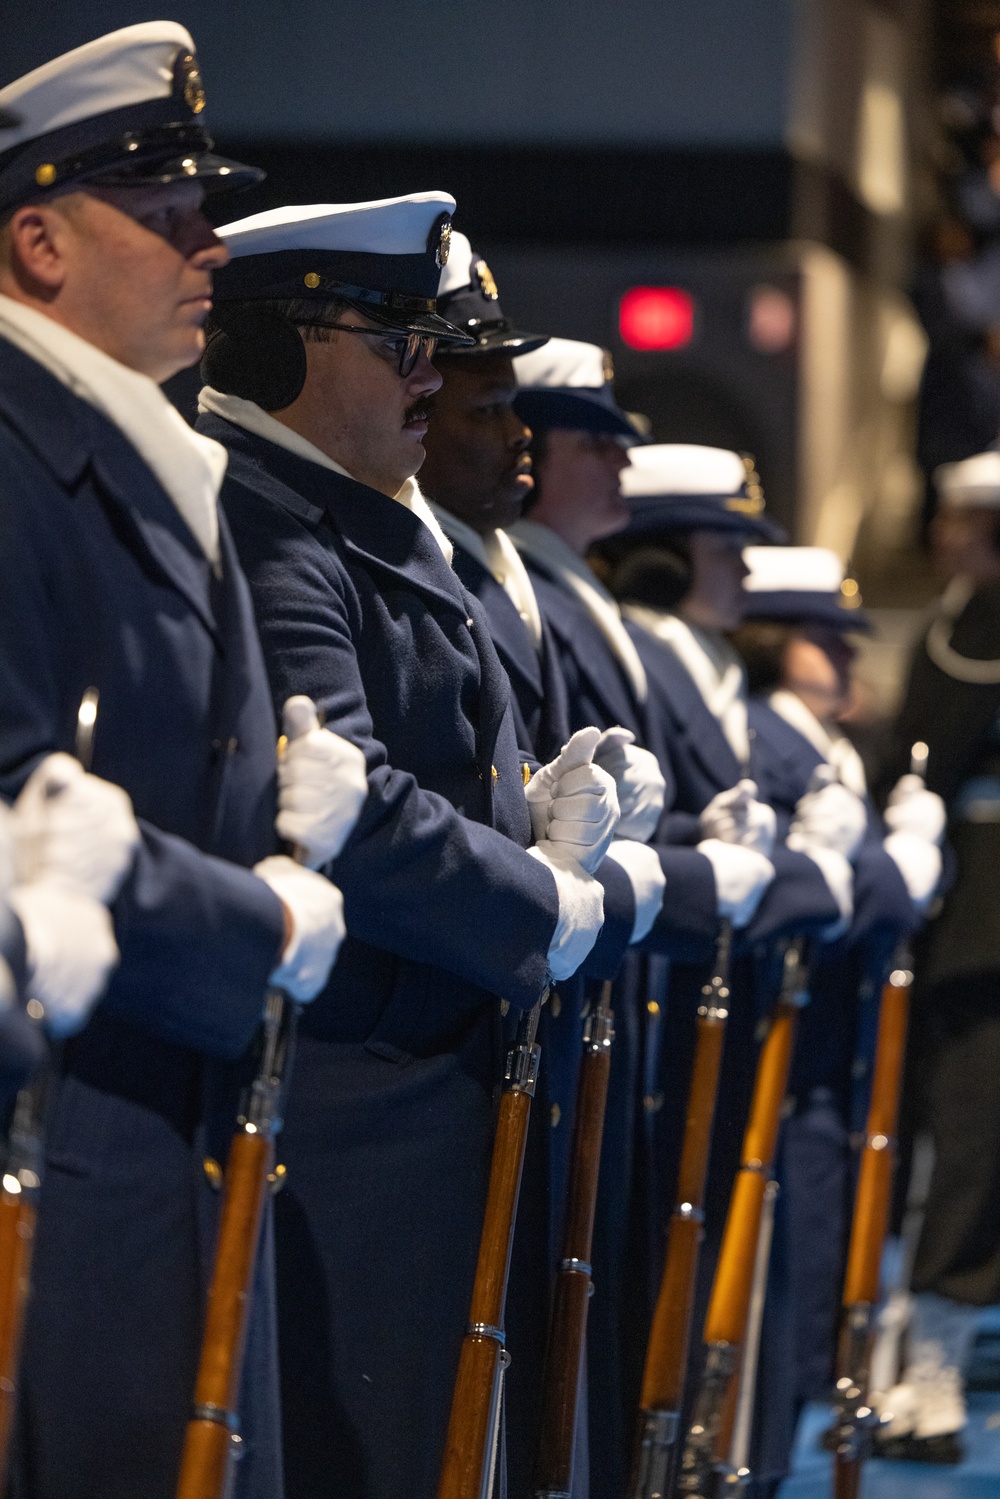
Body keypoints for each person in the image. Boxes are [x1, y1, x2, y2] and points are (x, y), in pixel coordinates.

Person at [196, 197, 618, 1499]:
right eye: (400, 343)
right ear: (285, 344)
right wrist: (541, 896)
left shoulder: (354, 510)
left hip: (431, 1073)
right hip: (357, 1099)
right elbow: (345, 797)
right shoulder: (275, 518)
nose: (434, 377)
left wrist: (530, 803)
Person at [0, 27, 362, 1499]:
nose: (207, 244)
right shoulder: (20, 459)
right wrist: (266, 921)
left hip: (171, 1119)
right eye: (163, 215)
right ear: (37, 239)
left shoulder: (132, 444)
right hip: (60, 1125)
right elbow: (30, 803)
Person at [422, 241, 675, 1498]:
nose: (515, 436)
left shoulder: (515, 576)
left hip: (551, 1010)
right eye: (491, 409)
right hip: (445, 1029)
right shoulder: (450, 563)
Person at [598, 444, 856, 1498]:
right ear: (659, 551)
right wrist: (819, 876)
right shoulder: (653, 652)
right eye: (724, 543)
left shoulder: (691, 662)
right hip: (666, 1019)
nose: (743, 568)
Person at [730, 546, 944, 1418]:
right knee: (771, 1308)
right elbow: (832, 894)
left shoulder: (826, 743)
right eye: (827, 638)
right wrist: (902, 860)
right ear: (775, 638)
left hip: (831, 1056)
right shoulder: (767, 737)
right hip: (783, 1050)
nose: (849, 657)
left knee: (816, 1283)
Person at [876, 449, 1000, 1460]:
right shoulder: (954, 627)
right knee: (966, 1149)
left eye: (963, 521)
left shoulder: (971, 625)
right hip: (976, 934)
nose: (941, 538)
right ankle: (933, 1354)